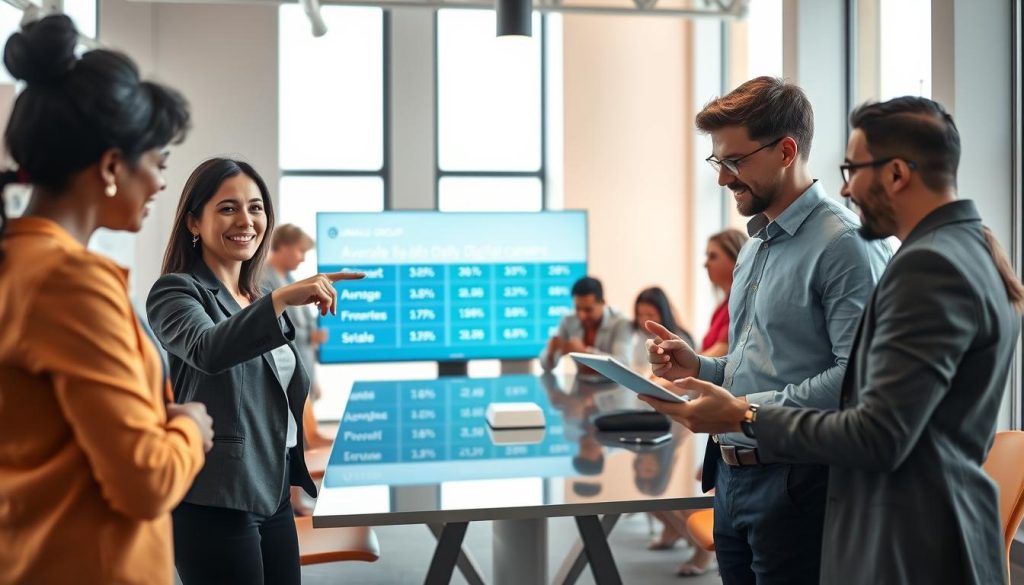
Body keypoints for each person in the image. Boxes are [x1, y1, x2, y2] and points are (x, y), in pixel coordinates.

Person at [642, 97, 1024, 585]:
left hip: (908, 531)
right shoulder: (967, 248)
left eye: (852, 168)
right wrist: (705, 370)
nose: (845, 186)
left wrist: (745, 414)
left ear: (897, 174)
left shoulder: (926, 264)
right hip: (916, 521)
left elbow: (877, 429)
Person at [645, 76, 891, 585]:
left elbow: (856, 380)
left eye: (734, 162)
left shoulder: (844, 245)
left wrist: (746, 411)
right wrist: (702, 366)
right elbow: (759, 361)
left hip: (801, 481)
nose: (723, 179)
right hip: (734, 475)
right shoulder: (755, 246)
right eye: (718, 162)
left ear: (785, 151)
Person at [0, 15, 212, 584]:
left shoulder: (20, 262)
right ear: (113, 166)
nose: (162, 184)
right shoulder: (70, 282)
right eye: (159, 163)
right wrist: (190, 426)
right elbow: (145, 483)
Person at [146, 158, 364, 585]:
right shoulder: (176, 291)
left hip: (272, 488)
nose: (246, 220)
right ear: (194, 221)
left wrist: (272, 299)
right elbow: (208, 349)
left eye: (256, 207)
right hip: (216, 497)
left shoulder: (256, 296)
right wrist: (280, 298)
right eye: (227, 208)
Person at [263, 224, 327, 402]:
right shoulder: (262, 280)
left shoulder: (291, 281)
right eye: (300, 251)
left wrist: (314, 381)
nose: (303, 259)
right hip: (283, 381)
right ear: (283, 246)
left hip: (302, 374)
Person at [540, 276, 633, 372]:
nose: (581, 315)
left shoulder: (621, 322)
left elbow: (624, 364)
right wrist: (550, 353)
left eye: (588, 310)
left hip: (612, 385)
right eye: (577, 308)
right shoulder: (568, 320)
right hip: (581, 383)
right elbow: (546, 366)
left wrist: (585, 352)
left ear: (603, 303)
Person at [700, 229, 747, 357]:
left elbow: (721, 351)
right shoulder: (721, 308)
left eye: (713, 256)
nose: (705, 264)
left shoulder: (742, 303)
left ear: (736, 259)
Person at [630, 286, 694, 371]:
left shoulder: (681, 339)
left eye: (650, 315)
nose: (644, 321)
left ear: (663, 314)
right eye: (640, 315)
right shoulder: (637, 336)